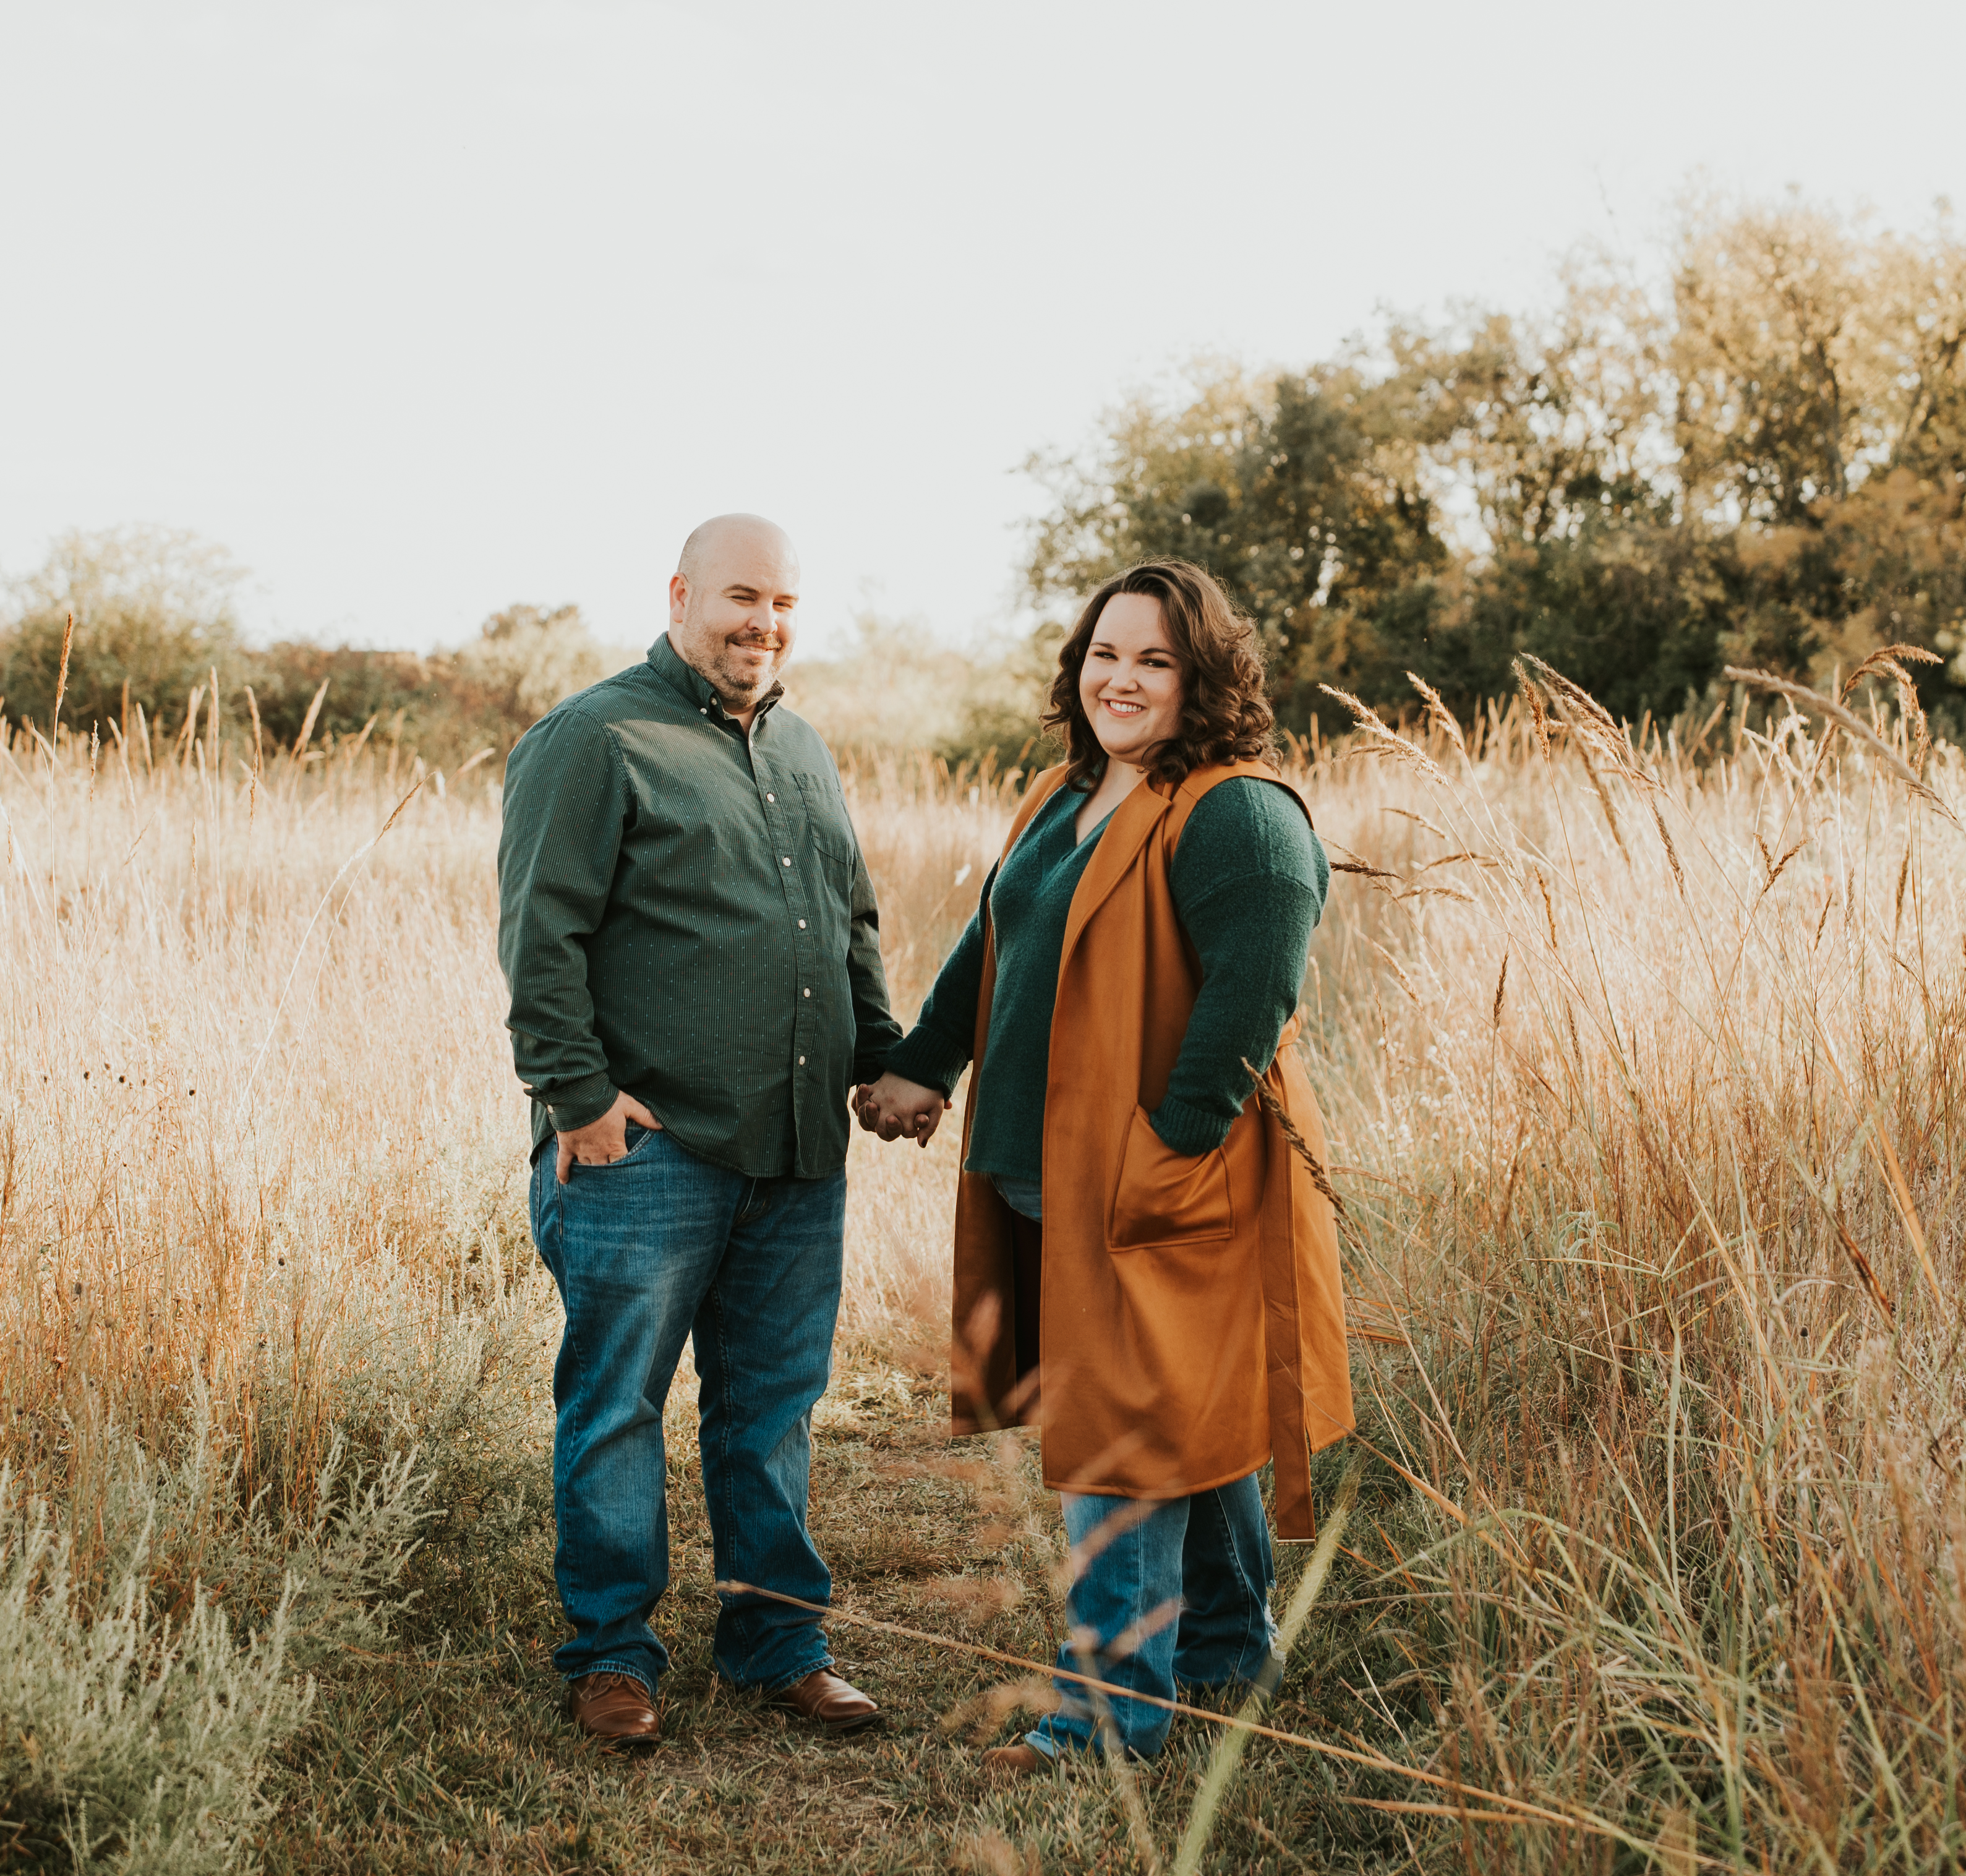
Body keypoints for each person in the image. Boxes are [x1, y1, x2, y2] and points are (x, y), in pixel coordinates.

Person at [853, 558, 1353, 1775]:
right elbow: (993, 941)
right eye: (1102, 655)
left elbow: (1253, 991)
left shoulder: (1237, 812)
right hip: (1039, 1169)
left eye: (1153, 660)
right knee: (1188, 1413)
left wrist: (1165, 1151)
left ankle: (1103, 1721)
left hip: (1156, 1182)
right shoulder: (1063, 792)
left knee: (1117, 1437)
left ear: (1204, 677)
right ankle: (1226, 1650)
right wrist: (925, 1062)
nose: (1119, 680)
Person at [498, 513, 902, 1757]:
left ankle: (776, 1644)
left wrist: (881, 1057)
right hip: (646, 1153)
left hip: (794, 1155)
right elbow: (539, 934)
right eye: (740, 597)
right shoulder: (594, 736)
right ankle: (612, 1655)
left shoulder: (804, 749)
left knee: (771, 1407)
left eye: (782, 603)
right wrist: (577, 1099)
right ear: (680, 594)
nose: (762, 624)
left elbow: (850, 922)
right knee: (616, 1403)